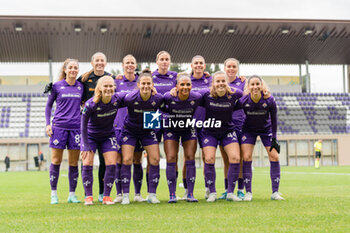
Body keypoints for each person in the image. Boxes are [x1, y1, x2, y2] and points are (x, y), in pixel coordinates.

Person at [120, 69, 163, 204]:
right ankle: (126, 195)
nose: (145, 86)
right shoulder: (130, 98)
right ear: (138, 84)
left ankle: (152, 194)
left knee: (155, 159)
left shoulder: (157, 98)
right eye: (143, 83)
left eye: (148, 84)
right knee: (127, 160)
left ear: (152, 85)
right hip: (130, 131)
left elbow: (170, 101)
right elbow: (114, 103)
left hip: (147, 131)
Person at [237, 75, 283, 201]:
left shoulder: (269, 100)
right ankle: (248, 193)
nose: (255, 87)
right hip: (248, 130)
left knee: (274, 156)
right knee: (246, 157)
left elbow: (274, 120)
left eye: (258, 84)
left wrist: (274, 138)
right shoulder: (243, 101)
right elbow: (235, 112)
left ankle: (275, 192)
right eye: (252, 84)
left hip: (266, 130)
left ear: (262, 85)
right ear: (248, 86)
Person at [199, 71, 243, 202]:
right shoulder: (205, 94)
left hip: (227, 131)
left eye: (223, 81)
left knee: (235, 158)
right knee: (209, 158)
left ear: (227, 82)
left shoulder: (235, 94)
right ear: (213, 83)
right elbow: (190, 94)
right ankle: (212, 192)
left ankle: (230, 192)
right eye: (217, 81)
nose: (220, 84)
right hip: (209, 131)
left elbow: (246, 95)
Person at [80, 76, 124, 205]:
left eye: (111, 86)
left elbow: (133, 95)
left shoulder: (117, 99)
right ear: (99, 88)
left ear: (114, 88)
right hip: (90, 136)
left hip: (108, 135)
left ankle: (106, 197)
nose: (108, 88)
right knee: (87, 163)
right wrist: (85, 145)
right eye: (105, 86)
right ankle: (88, 197)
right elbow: (83, 125)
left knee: (111, 163)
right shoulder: (91, 104)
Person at [77, 52, 115, 202]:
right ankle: (88, 195)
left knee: (107, 163)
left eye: (102, 60)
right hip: (90, 126)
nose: (99, 63)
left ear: (105, 63)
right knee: (87, 161)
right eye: (97, 60)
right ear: (92, 63)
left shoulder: (110, 77)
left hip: (106, 128)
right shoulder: (85, 78)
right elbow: (73, 87)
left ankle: (103, 194)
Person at [45, 58, 83, 204]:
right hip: (59, 128)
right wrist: (48, 124)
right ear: (65, 70)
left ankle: (72, 194)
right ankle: (53, 194)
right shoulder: (56, 86)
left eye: (75, 68)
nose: (73, 70)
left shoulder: (81, 87)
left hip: (75, 129)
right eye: (70, 67)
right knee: (56, 160)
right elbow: (48, 106)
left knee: (74, 162)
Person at [163, 72, 202, 203]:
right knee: (171, 157)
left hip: (188, 128)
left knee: (190, 157)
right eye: (182, 84)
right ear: (176, 86)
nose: (185, 87)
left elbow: (210, 90)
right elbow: (158, 105)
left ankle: (190, 193)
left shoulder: (196, 97)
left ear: (192, 85)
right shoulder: (169, 96)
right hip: (171, 128)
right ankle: (172, 194)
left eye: (188, 84)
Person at [113, 54, 145, 203]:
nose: (130, 65)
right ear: (123, 65)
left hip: (139, 126)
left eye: (132, 62)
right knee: (120, 160)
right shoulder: (116, 82)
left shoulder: (142, 82)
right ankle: (120, 193)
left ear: (136, 65)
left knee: (137, 159)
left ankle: (137, 194)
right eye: (127, 63)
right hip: (119, 127)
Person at [218, 58, 246, 200]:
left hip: (239, 123)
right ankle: (227, 189)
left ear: (237, 68)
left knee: (238, 158)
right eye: (228, 66)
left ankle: (240, 189)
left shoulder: (243, 82)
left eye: (234, 66)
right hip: (223, 124)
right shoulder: (218, 81)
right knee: (226, 159)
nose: (231, 69)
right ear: (224, 67)